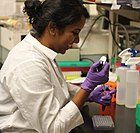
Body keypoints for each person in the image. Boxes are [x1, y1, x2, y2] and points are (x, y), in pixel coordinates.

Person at [0, 0, 116, 132]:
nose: (77, 40)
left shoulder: (41, 52)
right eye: (75, 32)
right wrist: (87, 86)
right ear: (52, 28)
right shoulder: (29, 63)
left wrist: (87, 93)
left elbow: (55, 88)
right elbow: (54, 128)